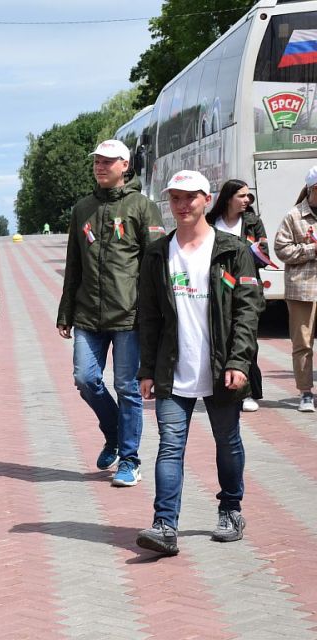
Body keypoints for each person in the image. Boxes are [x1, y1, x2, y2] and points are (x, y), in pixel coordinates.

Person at [135, 170, 262, 556]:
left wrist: (239, 361)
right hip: (173, 369)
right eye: (175, 197)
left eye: (190, 197)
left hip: (222, 369)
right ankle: (165, 525)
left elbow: (247, 310)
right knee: (170, 446)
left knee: (228, 441)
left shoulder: (232, 250)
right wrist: (146, 369)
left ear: (207, 199)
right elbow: (149, 316)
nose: (182, 205)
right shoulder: (157, 253)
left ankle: (231, 510)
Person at [56, 139, 165, 487]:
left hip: (129, 315)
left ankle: (130, 460)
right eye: (97, 162)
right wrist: (65, 311)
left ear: (125, 165)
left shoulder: (142, 207)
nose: (100, 167)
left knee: (126, 387)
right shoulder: (82, 208)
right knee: (85, 379)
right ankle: (114, 432)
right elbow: (74, 263)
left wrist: (157, 314)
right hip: (88, 314)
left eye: (107, 161)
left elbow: (156, 265)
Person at [205, 179, 270, 412]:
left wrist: (242, 253)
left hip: (245, 286)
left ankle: (249, 393)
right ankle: (220, 386)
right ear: (228, 198)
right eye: (241, 195)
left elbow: (265, 256)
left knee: (245, 339)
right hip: (217, 289)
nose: (246, 200)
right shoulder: (211, 221)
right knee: (221, 339)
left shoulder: (253, 222)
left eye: (248, 196)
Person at [274, 166, 317, 412]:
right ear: (312, 189)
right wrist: (311, 250)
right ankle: (305, 392)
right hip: (303, 289)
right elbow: (281, 249)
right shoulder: (294, 216)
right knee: (303, 343)